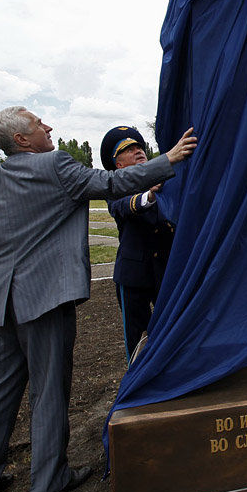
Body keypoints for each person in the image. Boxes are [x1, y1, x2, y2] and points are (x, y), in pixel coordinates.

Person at [0, 107, 196, 492]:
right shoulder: (53, 165)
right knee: (49, 389)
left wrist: (7, 279)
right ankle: (48, 479)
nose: (48, 127)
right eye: (38, 124)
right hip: (45, 301)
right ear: (22, 140)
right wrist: (168, 159)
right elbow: (111, 182)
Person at [100, 126, 176, 365]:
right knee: (137, 338)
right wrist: (150, 195)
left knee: (171, 330)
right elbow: (122, 207)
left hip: (166, 270)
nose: (137, 151)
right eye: (128, 150)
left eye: (139, 147)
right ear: (118, 165)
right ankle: (137, 383)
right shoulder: (114, 187)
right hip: (135, 276)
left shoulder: (166, 177)